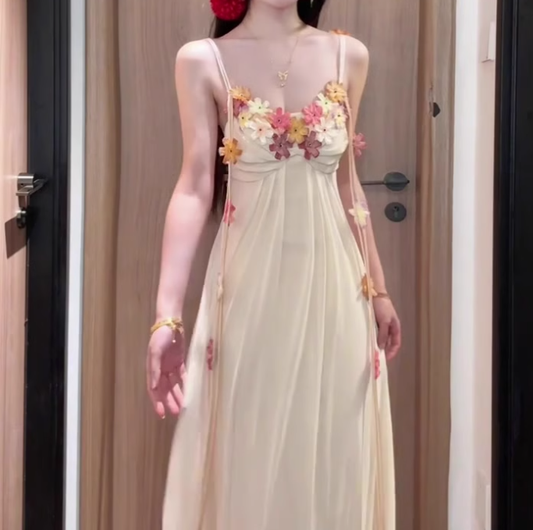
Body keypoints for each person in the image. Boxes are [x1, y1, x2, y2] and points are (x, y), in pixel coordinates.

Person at [146, 0, 401, 529]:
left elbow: (348, 185)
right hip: (248, 296)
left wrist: (378, 290)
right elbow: (194, 187)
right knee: (249, 450)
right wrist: (167, 315)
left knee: (333, 449)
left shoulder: (348, 56)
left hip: (336, 292)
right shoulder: (203, 59)